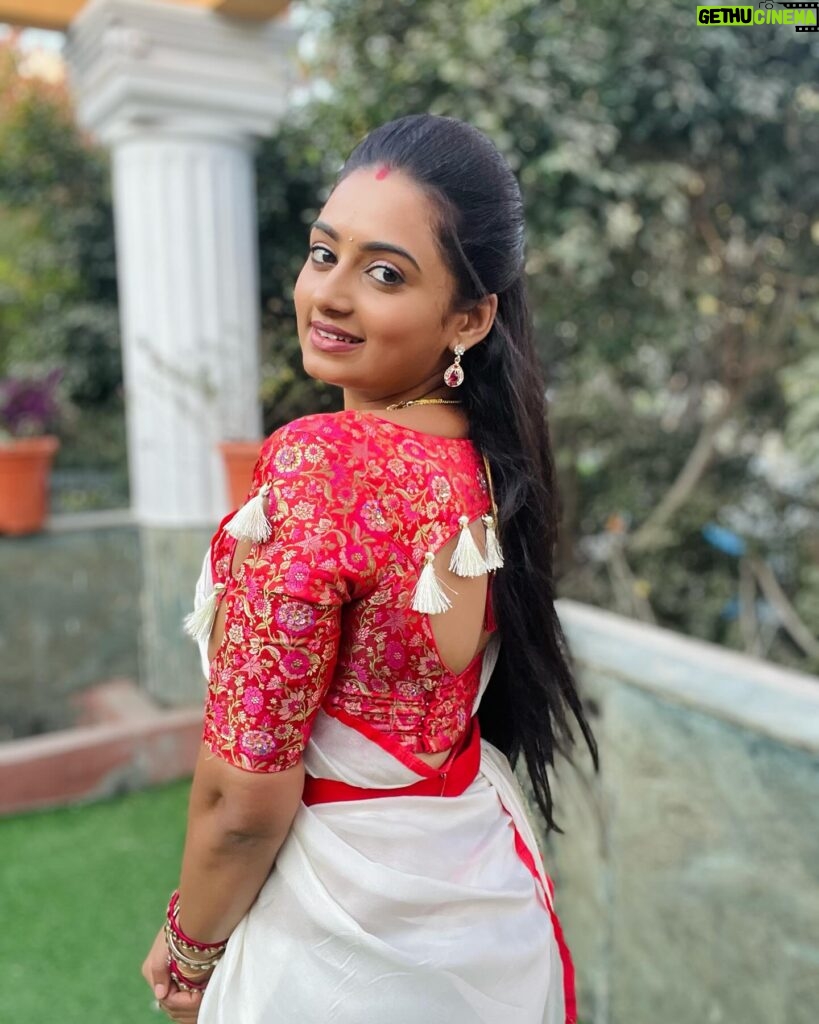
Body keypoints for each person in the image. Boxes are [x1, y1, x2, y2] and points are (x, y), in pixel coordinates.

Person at [142, 113, 599, 1024]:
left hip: (338, 943)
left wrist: (189, 954)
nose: (331, 295)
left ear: (468, 318)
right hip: (482, 901)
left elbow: (243, 798)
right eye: (324, 255)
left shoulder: (321, 466)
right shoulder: (486, 465)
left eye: (384, 272)